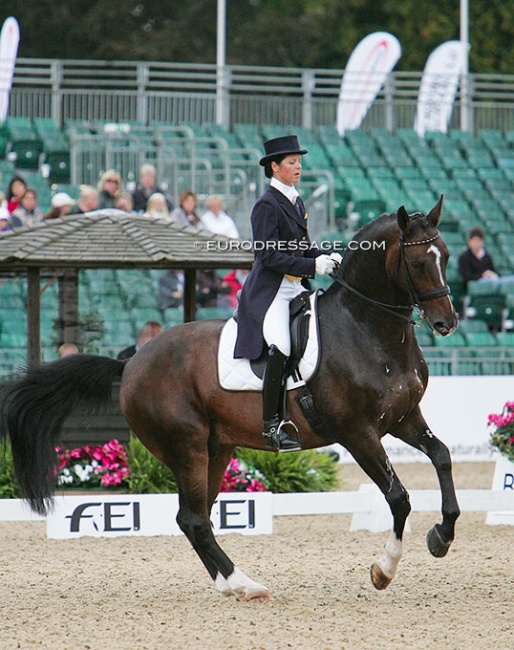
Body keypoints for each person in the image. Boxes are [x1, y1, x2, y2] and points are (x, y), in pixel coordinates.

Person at [233, 135, 341, 452]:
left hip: (296, 288)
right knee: (280, 344)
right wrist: (312, 266)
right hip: (271, 294)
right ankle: (272, 425)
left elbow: (303, 247)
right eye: (292, 162)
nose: (298, 166)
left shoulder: (295, 199)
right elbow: (268, 257)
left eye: (299, 161)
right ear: (275, 167)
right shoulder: (266, 205)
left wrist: (329, 258)